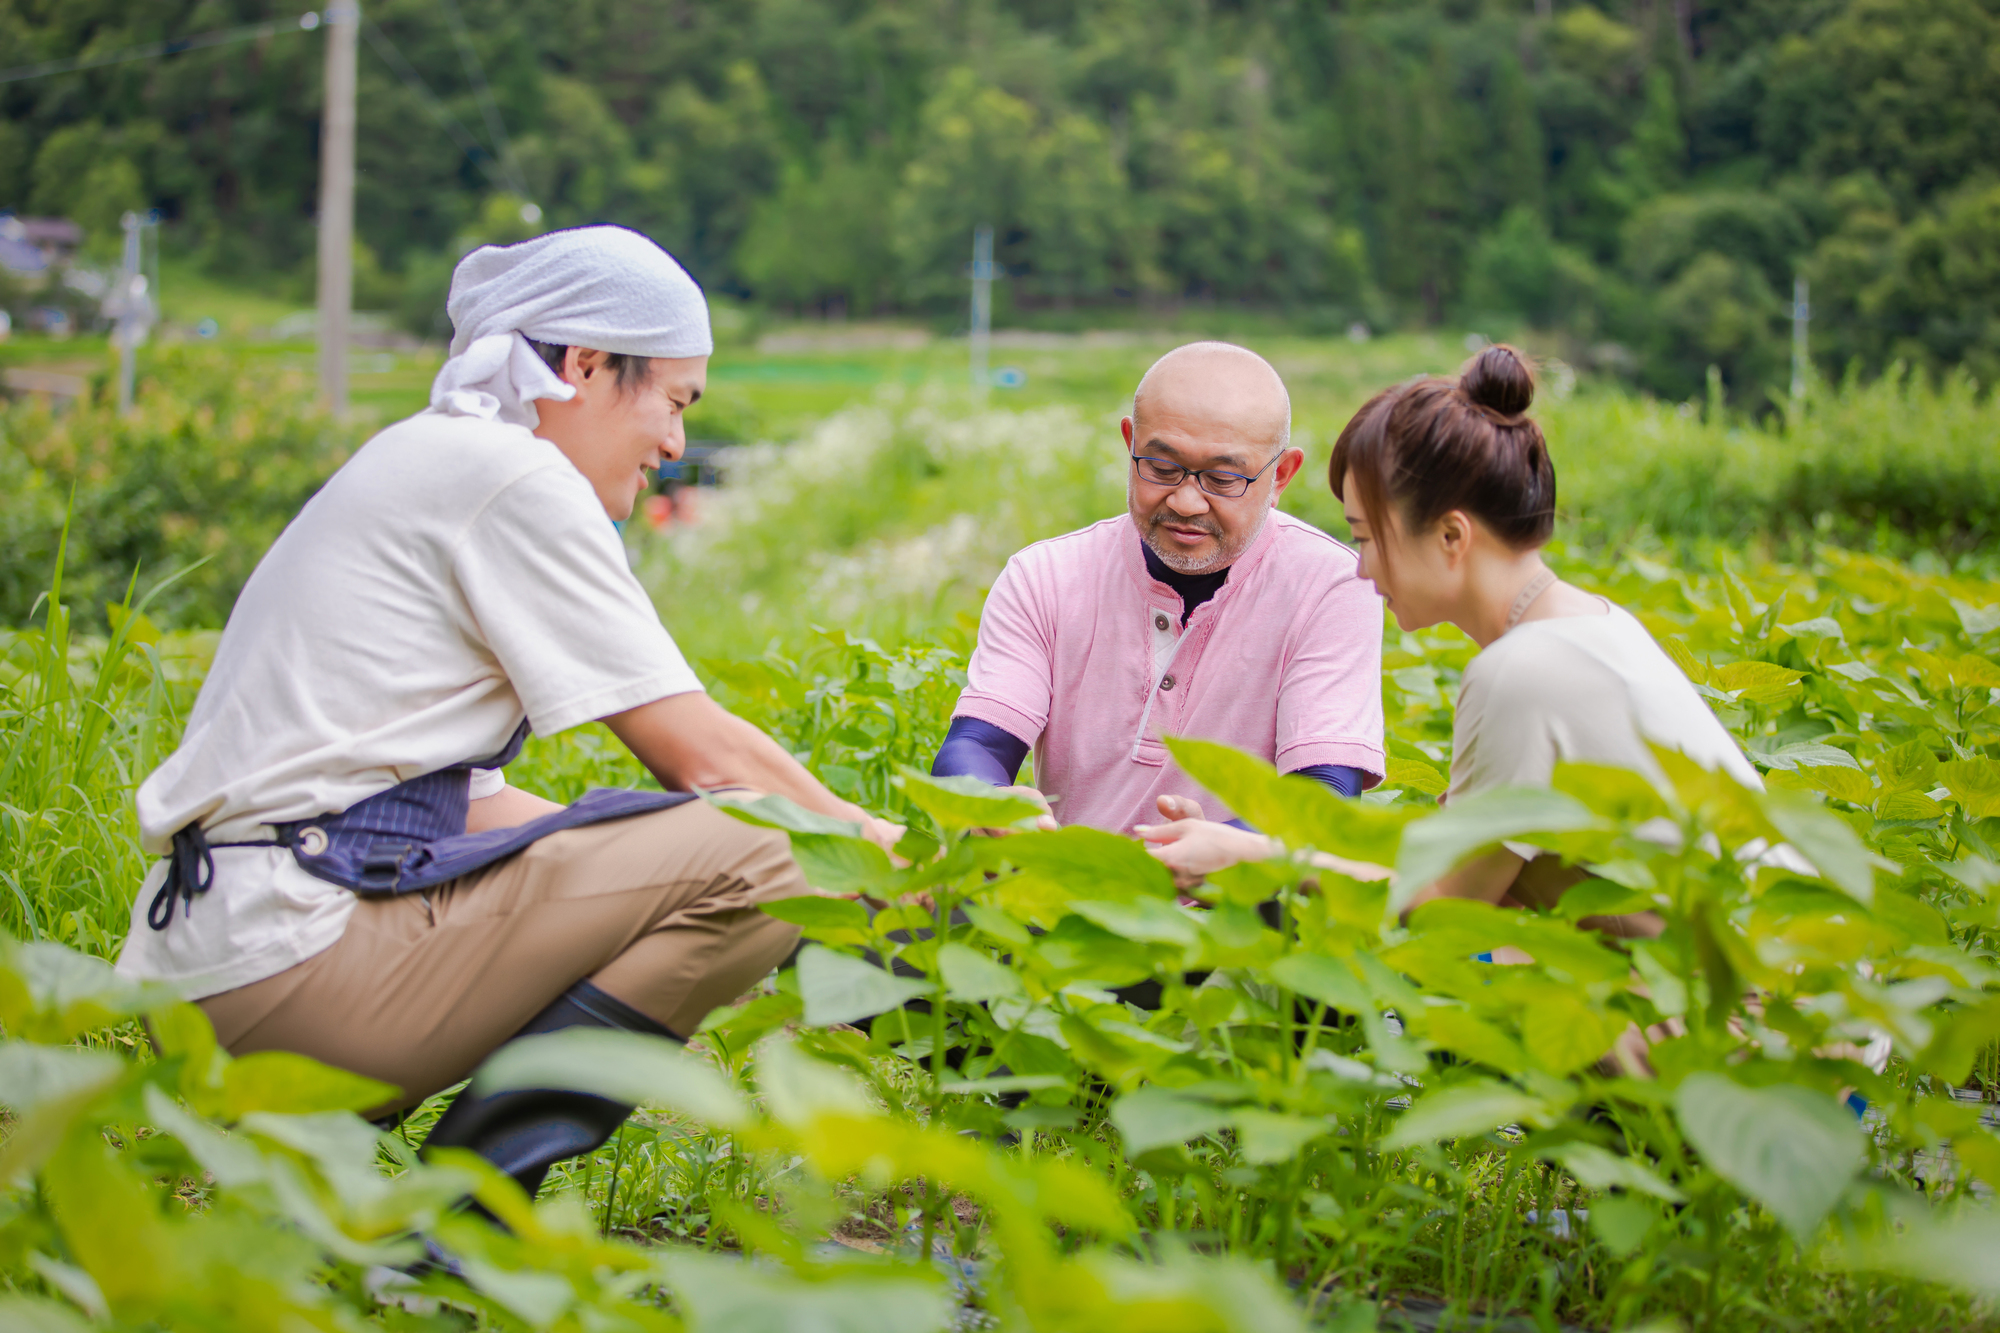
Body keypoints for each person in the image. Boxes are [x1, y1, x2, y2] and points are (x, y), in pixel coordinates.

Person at [115, 226, 897, 1200]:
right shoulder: (514, 476)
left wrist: (654, 860)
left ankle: (409, 1216)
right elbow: (702, 760)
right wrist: (885, 854)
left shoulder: (432, 458)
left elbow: (471, 806)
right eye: (672, 399)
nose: (674, 443)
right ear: (581, 364)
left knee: (693, 844)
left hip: (212, 971)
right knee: (768, 843)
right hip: (288, 966)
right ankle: (463, 1224)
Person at [1140, 344, 1766, 927]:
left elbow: (1443, 900)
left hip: (1755, 1020)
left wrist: (1252, 860)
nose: (1361, 567)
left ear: (1450, 537)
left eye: (1366, 537)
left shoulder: (1524, 670)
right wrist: (1239, 845)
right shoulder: (1583, 626)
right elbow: (1446, 865)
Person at [932, 341, 1386, 833]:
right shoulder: (1046, 576)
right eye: (1162, 468)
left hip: (1241, 903)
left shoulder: (1331, 586)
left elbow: (1328, 792)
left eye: (1224, 477)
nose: (1188, 501)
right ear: (1130, 442)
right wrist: (992, 803)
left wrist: (1227, 848)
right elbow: (976, 745)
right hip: (1065, 896)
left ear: (1281, 475)